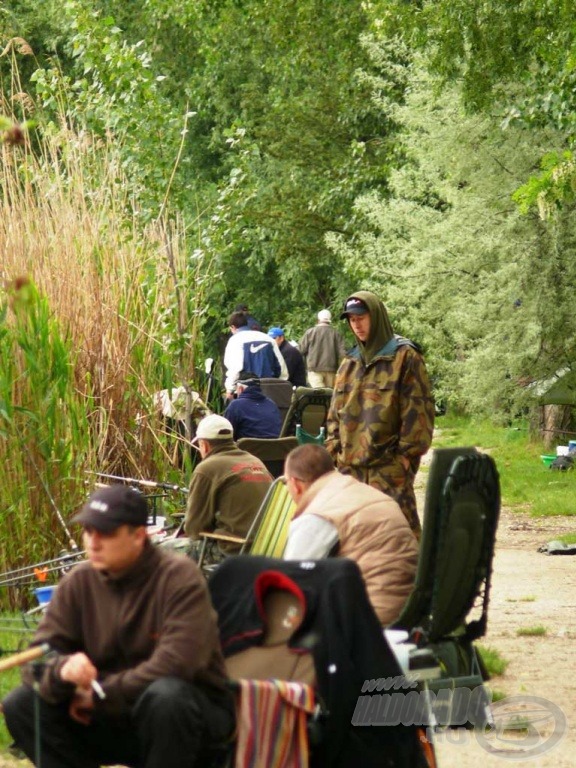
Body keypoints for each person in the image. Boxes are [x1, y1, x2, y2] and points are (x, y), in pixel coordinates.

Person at [2, 484, 235, 768]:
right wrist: (62, 671)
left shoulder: (179, 577)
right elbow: (40, 656)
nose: (94, 542)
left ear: (138, 536)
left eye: (107, 533)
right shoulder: (79, 581)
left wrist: (102, 693)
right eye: (88, 531)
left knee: (167, 696)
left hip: (185, 718)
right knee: (22, 702)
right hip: (104, 714)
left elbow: (178, 663)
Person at [325, 291, 435, 536]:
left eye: (362, 318)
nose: (357, 324)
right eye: (352, 320)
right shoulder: (349, 363)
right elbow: (335, 413)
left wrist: (404, 460)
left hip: (388, 470)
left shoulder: (405, 357)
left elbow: (418, 413)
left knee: (400, 540)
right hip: (349, 470)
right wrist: (335, 452)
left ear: (376, 317)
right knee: (354, 542)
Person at [283, 444, 418, 626]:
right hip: (410, 613)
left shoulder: (317, 516)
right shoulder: (364, 492)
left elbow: (290, 588)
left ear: (295, 484)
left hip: (371, 623)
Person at [185, 414, 273, 560]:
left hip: (235, 551)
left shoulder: (206, 468)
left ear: (204, 445)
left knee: (161, 550)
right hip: (268, 549)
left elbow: (194, 529)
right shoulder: (255, 462)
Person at [223, 311, 288, 399]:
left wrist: (230, 389)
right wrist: (280, 385)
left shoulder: (235, 340)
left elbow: (235, 369)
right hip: (269, 390)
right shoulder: (268, 339)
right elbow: (281, 367)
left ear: (233, 327)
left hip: (246, 391)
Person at [224, 371, 282, 440]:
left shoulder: (235, 405)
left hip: (246, 449)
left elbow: (226, 436)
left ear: (240, 389)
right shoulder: (272, 404)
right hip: (275, 449)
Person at [299, 309, 347, 388]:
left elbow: (301, 350)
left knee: (318, 396)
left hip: (314, 370)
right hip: (331, 370)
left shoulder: (310, 333)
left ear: (318, 320)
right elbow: (343, 354)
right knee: (329, 396)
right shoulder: (336, 333)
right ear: (329, 320)